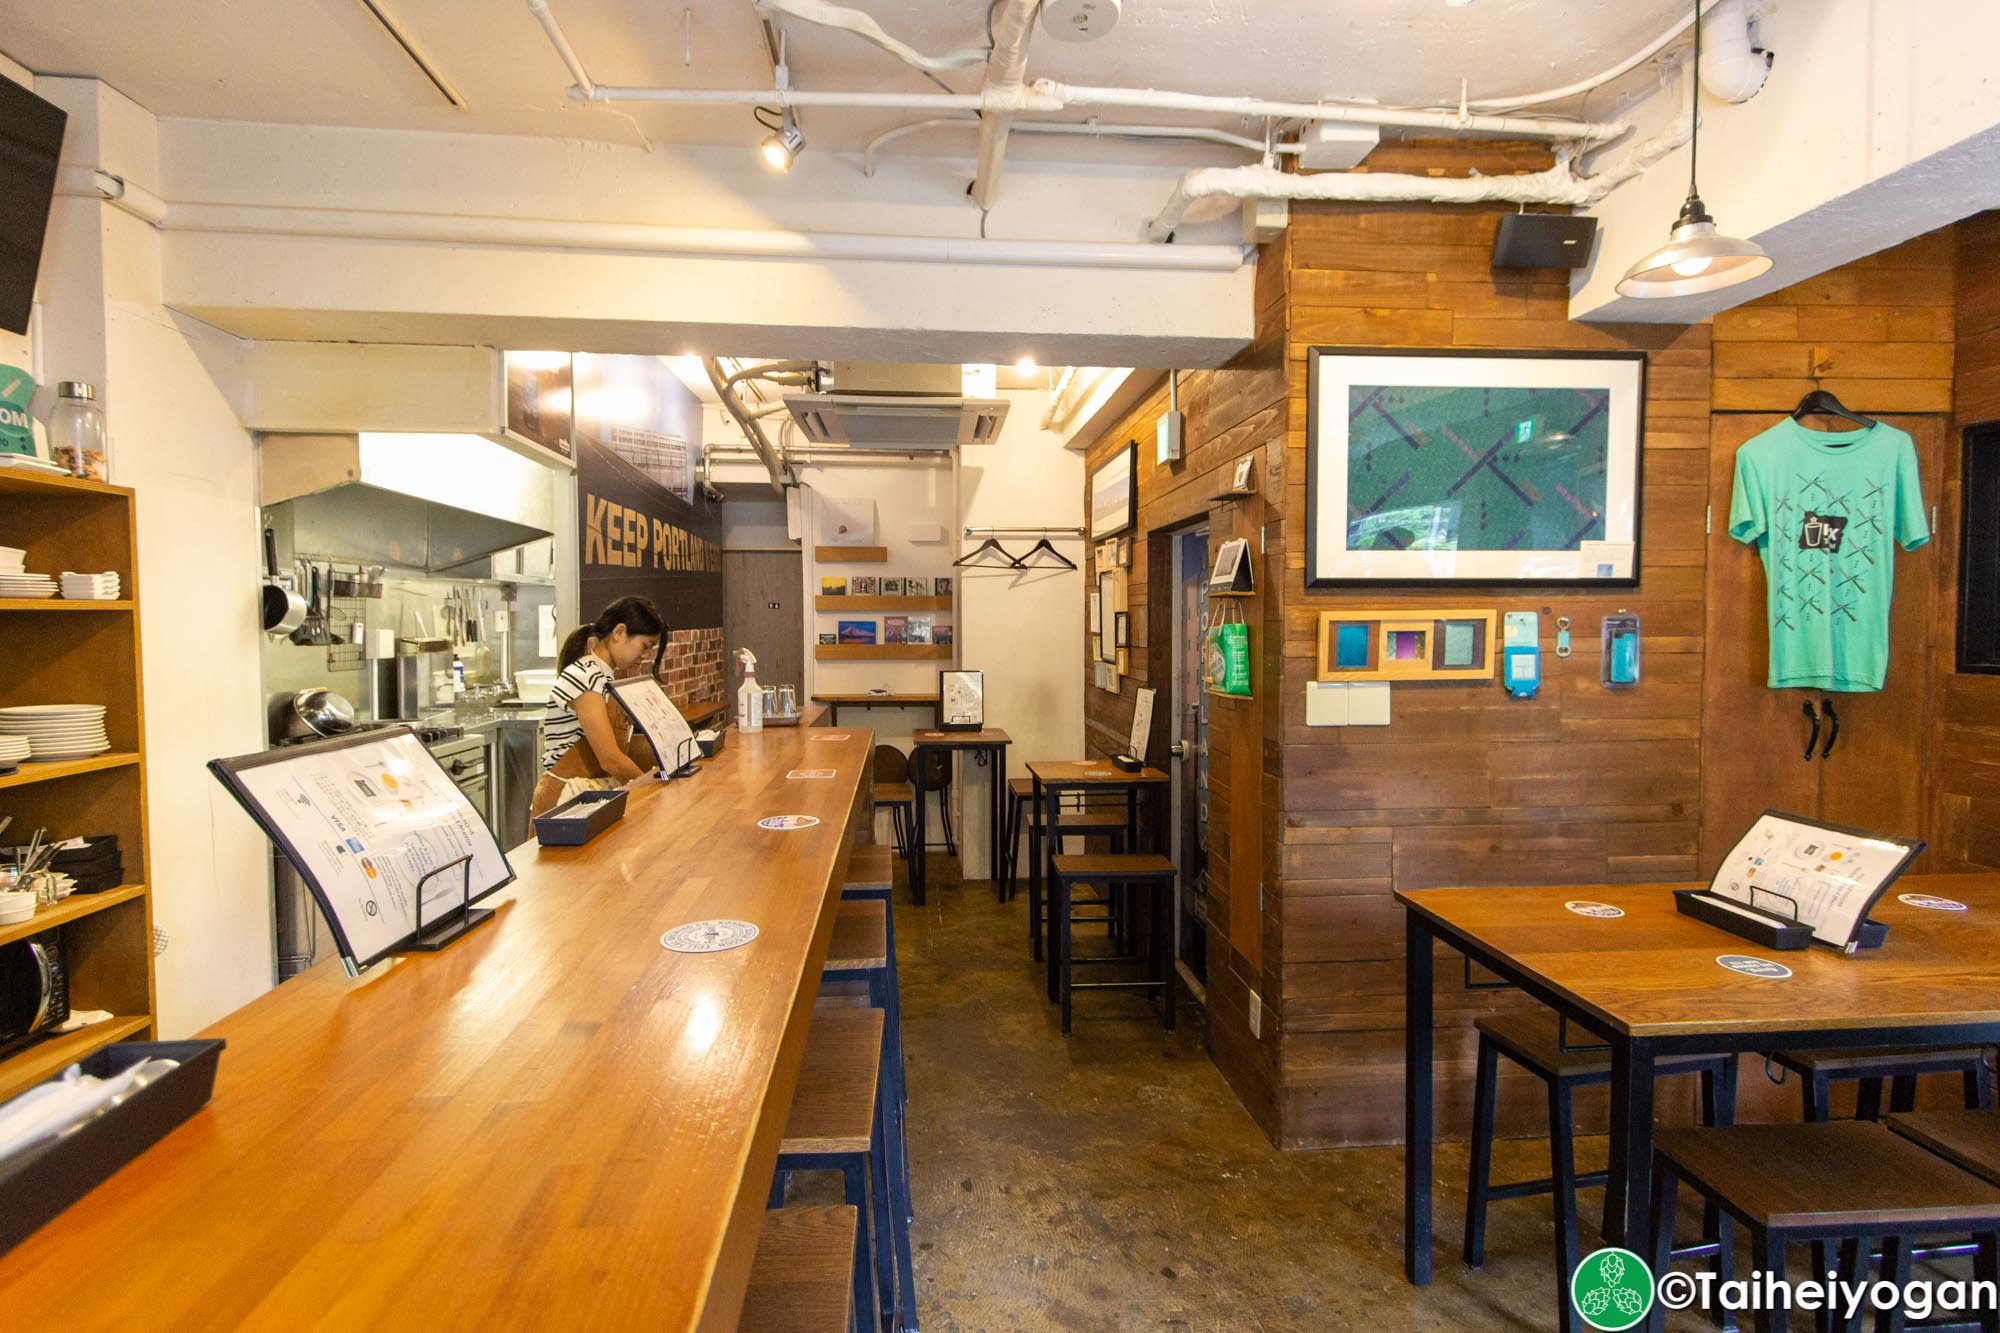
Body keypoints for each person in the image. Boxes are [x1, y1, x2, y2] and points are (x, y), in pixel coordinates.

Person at [531, 596, 668, 817]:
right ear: (619, 633)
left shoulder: (603, 676)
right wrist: (652, 789)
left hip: (592, 793)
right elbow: (610, 758)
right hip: (569, 800)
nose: (645, 656)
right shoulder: (585, 676)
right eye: (645, 646)